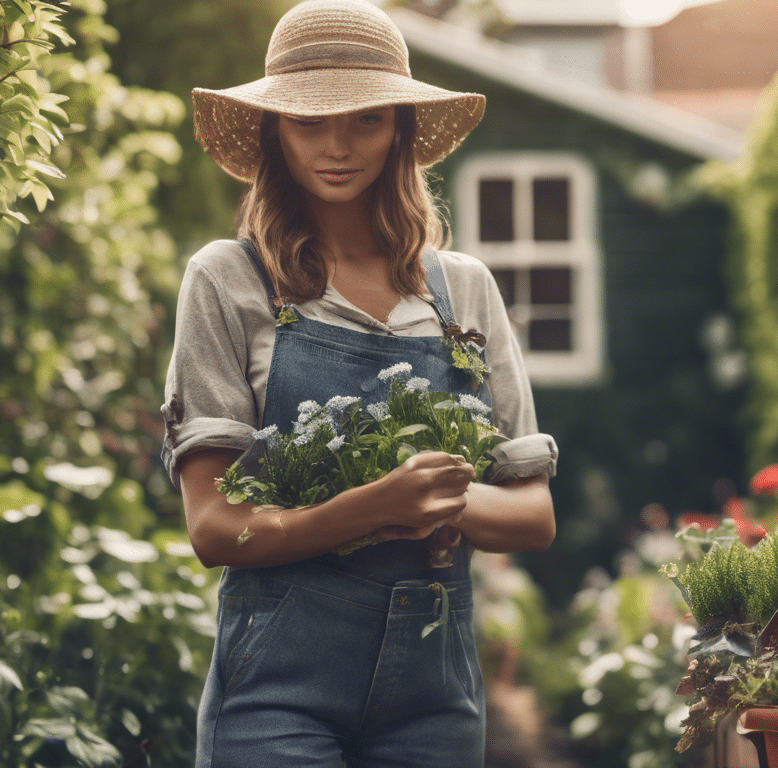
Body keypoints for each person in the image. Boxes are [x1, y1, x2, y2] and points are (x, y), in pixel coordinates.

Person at [160, 1, 557, 766]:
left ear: (401, 130)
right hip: (276, 694)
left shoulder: (463, 292)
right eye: (310, 123)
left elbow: (533, 514)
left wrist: (439, 498)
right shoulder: (229, 280)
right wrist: (369, 508)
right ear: (275, 131)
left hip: (434, 700)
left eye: (367, 120)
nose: (338, 147)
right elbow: (212, 529)